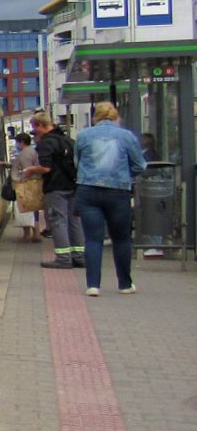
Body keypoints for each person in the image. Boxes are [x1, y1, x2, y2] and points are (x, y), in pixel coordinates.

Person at [73, 101, 147, 297]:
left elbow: (77, 162)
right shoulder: (126, 136)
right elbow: (140, 165)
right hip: (118, 192)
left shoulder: (83, 135)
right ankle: (124, 284)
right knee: (121, 239)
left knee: (93, 239)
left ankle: (93, 285)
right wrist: (124, 175)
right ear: (116, 116)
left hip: (88, 191)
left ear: (96, 117)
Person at [27, 112, 81, 268]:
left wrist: (31, 170)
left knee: (58, 221)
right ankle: (79, 255)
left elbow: (45, 167)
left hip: (56, 187)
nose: (34, 132)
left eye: (34, 128)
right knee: (74, 220)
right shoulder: (68, 140)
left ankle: (63, 258)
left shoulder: (46, 143)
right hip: (73, 184)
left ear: (40, 125)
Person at [10, 133, 41, 242]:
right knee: (33, 210)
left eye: (17, 142)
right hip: (33, 182)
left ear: (22, 142)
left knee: (27, 210)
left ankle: (32, 234)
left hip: (27, 184)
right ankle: (33, 233)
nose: (16, 145)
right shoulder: (32, 151)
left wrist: (21, 180)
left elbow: (27, 170)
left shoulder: (25, 154)